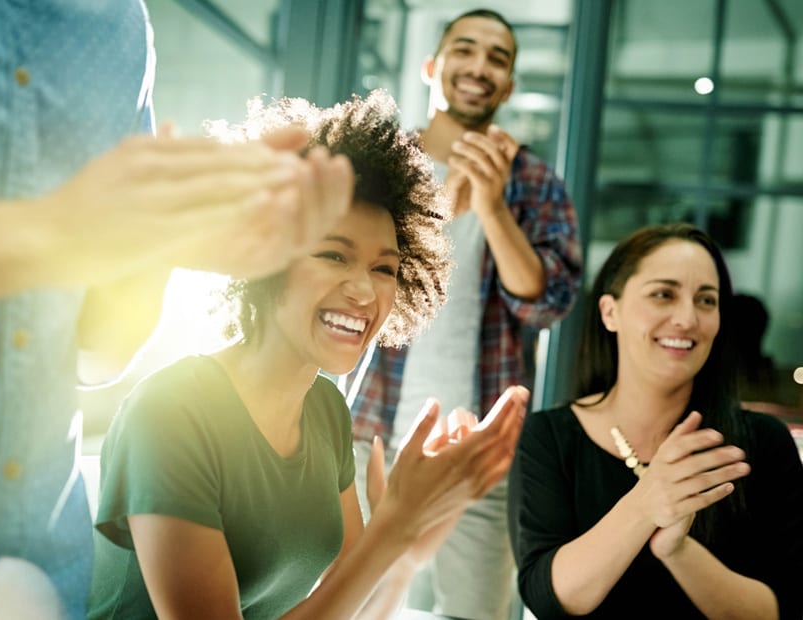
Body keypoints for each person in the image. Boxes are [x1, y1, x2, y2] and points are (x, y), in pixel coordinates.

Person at [0, 3, 353, 617]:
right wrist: (52, 238)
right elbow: (65, 240)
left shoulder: (118, 26)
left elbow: (97, 352)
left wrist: (165, 240)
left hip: (44, 579)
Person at [87, 90, 530, 619]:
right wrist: (392, 530)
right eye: (334, 255)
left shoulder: (324, 409)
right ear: (268, 253)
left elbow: (348, 605)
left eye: (384, 268)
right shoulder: (171, 413)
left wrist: (408, 553)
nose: (365, 292)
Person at [345, 8, 582, 619]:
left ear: (507, 85)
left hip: (481, 452)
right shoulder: (383, 165)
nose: (479, 67)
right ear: (433, 66)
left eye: (497, 59)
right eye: (465, 50)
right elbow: (347, 278)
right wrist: (446, 203)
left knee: (476, 612)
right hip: (368, 434)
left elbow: (547, 301)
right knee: (355, 604)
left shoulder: (534, 183)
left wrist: (495, 207)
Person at [508, 223, 803, 619]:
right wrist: (645, 505)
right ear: (610, 312)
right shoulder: (550, 437)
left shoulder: (761, 443)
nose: (687, 318)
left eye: (706, 300)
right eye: (664, 294)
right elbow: (549, 599)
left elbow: (780, 611)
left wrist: (678, 550)